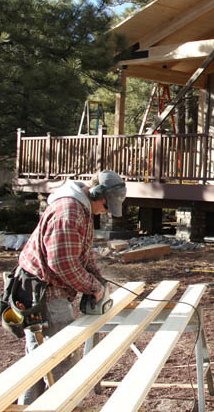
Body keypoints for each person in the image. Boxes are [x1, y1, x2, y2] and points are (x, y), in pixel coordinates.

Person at [16, 170, 127, 404]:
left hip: (48, 287)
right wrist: (93, 287)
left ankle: (29, 406)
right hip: (44, 292)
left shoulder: (82, 208)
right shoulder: (70, 210)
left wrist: (99, 280)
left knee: (38, 360)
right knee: (61, 359)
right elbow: (62, 264)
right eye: (107, 206)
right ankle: (64, 406)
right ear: (98, 193)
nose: (106, 211)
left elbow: (82, 255)